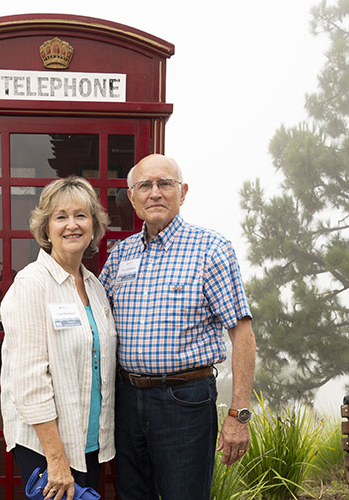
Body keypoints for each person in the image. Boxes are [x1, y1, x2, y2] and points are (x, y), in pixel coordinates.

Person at [99, 154, 256, 500]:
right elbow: (94, 328)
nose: (155, 192)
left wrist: (239, 415)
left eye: (164, 184)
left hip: (184, 401)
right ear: (132, 197)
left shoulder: (211, 249)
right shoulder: (119, 256)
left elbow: (242, 333)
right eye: (145, 185)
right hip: (125, 400)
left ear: (182, 193)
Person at [0, 176, 117, 500]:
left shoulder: (93, 286)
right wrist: (56, 460)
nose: (72, 225)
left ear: (93, 225)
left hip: (89, 442)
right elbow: (28, 382)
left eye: (81, 215)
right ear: (46, 228)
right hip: (47, 448)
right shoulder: (32, 285)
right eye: (60, 216)